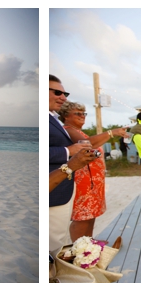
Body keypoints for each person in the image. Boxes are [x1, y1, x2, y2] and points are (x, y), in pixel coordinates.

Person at [59, 101, 126, 241]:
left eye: (83, 113)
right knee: (82, 216)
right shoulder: (68, 129)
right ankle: (79, 247)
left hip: (93, 181)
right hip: (83, 181)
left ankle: (89, 243)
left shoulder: (79, 132)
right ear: (66, 116)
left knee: (91, 214)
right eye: (77, 113)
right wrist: (111, 133)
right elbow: (88, 144)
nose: (82, 116)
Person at [49, 75, 88, 255]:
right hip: (54, 188)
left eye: (65, 94)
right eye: (57, 92)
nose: (63, 97)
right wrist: (68, 151)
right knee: (54, 244)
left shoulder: (52, 118)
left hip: (64, 185)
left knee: (59, 240)